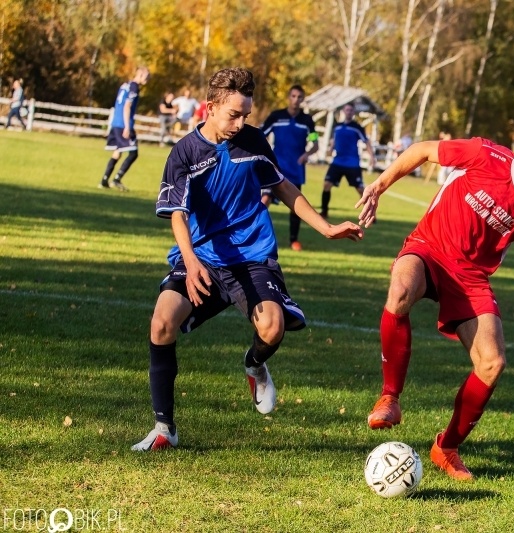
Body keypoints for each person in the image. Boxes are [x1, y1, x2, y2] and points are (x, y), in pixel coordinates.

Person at [131, 67, 363, 452]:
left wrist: (325, 228)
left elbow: (284, 186)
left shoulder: (254, 142)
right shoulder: (185, 152)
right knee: (161, 324)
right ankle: (164, 429)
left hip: (251, 256)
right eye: (233, 115)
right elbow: (177, 212)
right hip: (202, 256)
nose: (241, 123)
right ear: (211, 107)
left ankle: (254, 365)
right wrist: (190, 261)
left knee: (272, 329)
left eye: (246, 115)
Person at [355, 137, 514, 480]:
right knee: (400, 290)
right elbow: (423, 151)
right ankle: (390, 397)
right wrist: (379, 185)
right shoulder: (484, 155)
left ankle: (446, 448)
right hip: (429, 249)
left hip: (471, 279)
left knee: (493, 363)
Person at [260, 84, 319, 251]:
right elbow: (260, 135)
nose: (296, 100)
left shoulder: (307, 121)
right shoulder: (276, 116)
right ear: (288, 97)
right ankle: (253, 235)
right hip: (275, 167)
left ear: (303, 99)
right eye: (293, 96)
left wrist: (306, 154)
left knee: (296, 206)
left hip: (295, 170)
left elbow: (315, 143)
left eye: (299, 97)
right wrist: (266, 155)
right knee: (265, 200)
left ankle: (294, 240)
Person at [320, 103, 376, 219]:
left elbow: (366, 142)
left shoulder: (357, 127)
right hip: (338, 161)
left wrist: (372, 157)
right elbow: (334, 141)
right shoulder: (337, 126)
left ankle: (371, 215)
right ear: (343, 111)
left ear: (353, 112)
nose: (349, 112)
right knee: (326, 184)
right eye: (347, 110)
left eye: (351, 110)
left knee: (361, 190)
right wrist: (330, 149)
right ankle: (324, 211)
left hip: (352, 163)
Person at [98, 66, 150, 191]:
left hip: (116, 123)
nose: (148, 79)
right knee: (133, 153)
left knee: (118, 152)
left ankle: (104, 180)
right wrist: (127, 126)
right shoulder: (134, 87)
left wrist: (111, 124)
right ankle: (117, 179)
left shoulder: (124, 86)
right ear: (140, 74)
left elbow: (117, 105)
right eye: (147, 76)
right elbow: (127, 106)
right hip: (124, 124)